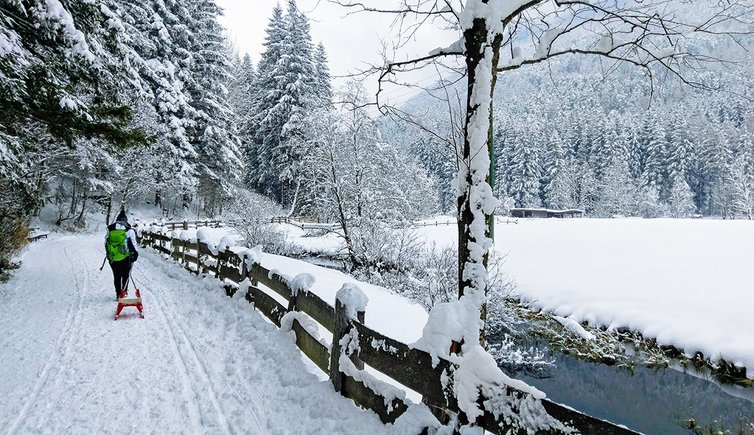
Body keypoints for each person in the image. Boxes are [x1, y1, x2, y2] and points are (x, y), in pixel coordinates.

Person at [105, 209, 139, 300]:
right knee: (125, 274)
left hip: (113, 257)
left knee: (116, 276)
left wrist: (109, 255)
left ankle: (118, 294)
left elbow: (106, 242)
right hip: (125, 257)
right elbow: (133, 243)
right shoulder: (129, 230)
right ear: (126, 220)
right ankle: (124, 292)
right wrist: (135, 254)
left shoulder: (110, 229)